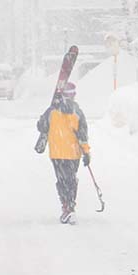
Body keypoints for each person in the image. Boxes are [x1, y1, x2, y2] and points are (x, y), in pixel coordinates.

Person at [35, 81, 91, 225]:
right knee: (71, 179)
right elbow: (82, 134)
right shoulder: (77, 112)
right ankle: (71, 205)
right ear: (74, 95)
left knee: (62, 180)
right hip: (73, 153)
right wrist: (86, 152)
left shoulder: (52, 110)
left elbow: (41, 126)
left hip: (57, 153)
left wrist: (50, 108)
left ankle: (66, 207)